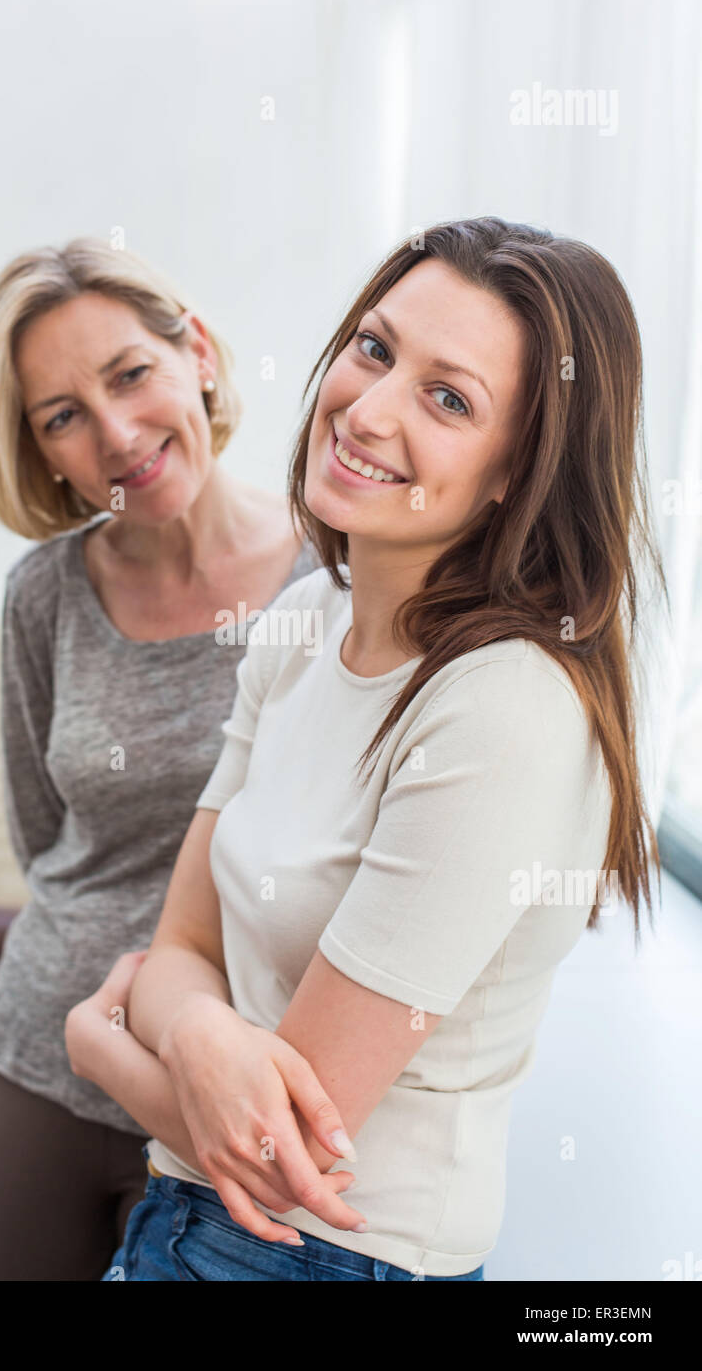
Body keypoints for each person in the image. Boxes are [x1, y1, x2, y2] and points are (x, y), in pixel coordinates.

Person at [66, 216, 667, 1282]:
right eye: (374, 348)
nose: (369, 408)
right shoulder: (305, 622)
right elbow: (181, 944)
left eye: (447, 398)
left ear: (511, 473)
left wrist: (105, 1042)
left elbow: (280, 1149)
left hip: (322, 1261)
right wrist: (200, 1030)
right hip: (186, 1220)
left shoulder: (504, 707)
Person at [0, 237, 318, 1280]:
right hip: (47, 1051)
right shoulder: (43, 594)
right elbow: (44, 836)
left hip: (236, 1080)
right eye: (62, 416)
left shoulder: (338, 573)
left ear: (194, 351)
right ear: (41, 451)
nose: (115, 433)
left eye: (129, 374)